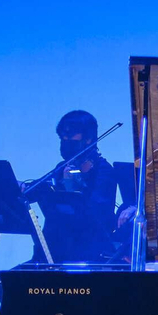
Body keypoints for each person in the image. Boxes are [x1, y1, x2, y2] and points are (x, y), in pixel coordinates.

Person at [40, 110, 117, 263]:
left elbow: (94, 214)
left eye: (70, 136)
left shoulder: (104, 171)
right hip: (58, 248)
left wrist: (72, 185)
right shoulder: (62, 167)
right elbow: (39, 188)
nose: (65, 140)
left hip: (88, 252)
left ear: (88, 139)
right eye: (62, 137)